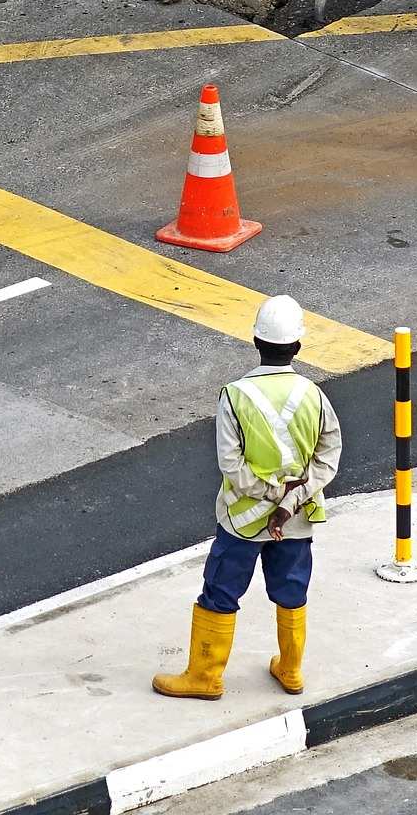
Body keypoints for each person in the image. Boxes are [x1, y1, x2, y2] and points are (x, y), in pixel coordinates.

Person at [154, 295, 341, 701]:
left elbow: (231, 465)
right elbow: (328, 459)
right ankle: (290, 671)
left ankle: (205, 676)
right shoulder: (314, 395)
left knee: (221, 590)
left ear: (256, 340)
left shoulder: (235, 396)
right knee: (292, 591)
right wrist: (292, 499)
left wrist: (269, 494)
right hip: (296, 520)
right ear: (298, 347)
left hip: (243, 518)